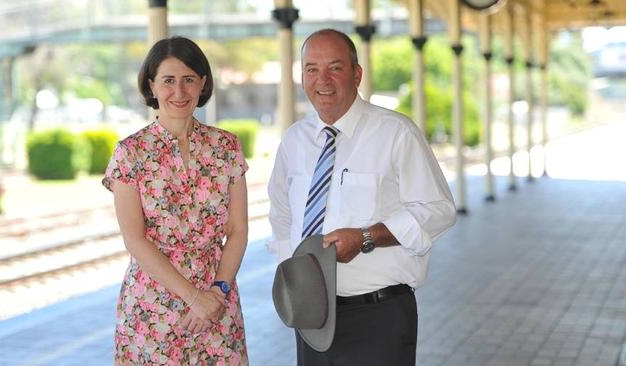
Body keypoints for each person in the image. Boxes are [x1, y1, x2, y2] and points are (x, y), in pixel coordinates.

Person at [267, 29, 456, 365]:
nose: (322, 79)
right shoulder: (294, 141)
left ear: (357, 74)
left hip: (378, 316)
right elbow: (282, 217)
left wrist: (367, 237)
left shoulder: (396, 133)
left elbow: (439, 210)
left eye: (335, 67)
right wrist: (294, 280)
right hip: (313, 318)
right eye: (311, 69)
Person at [102, 36, 249, 365]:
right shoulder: (130, 153)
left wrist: (217, 292)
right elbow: (135, 240)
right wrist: (193, 297)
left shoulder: (227, 147)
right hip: (153, 306)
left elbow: (238, 230)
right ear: (152, 86)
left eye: (188, 80)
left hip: (217, 303)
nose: (179, 92)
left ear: (203, 83)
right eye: (168, 81)